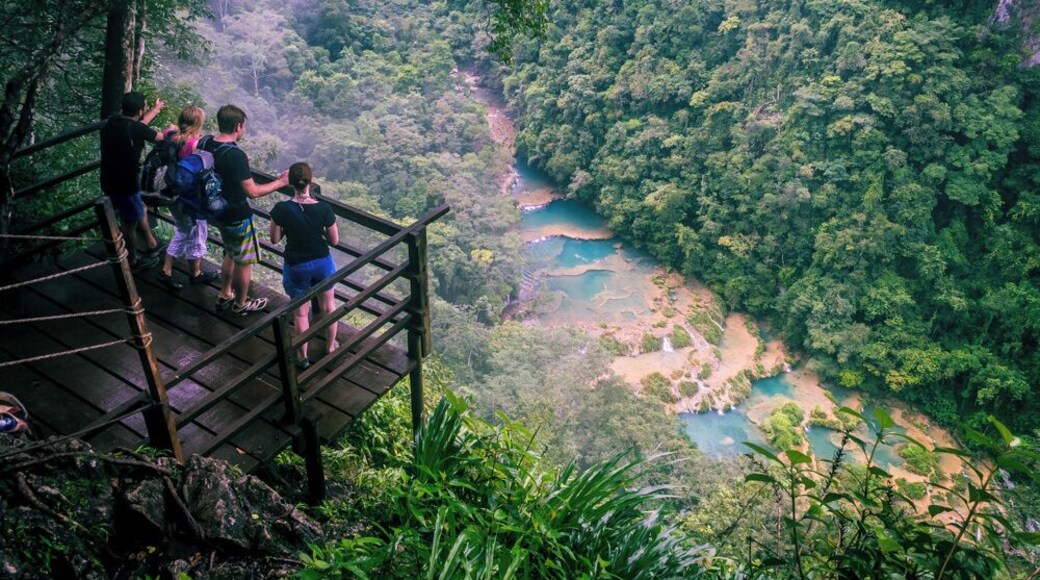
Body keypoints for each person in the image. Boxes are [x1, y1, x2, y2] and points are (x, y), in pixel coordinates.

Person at [201, 104, 288, 315]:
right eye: (244, 127)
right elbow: (253, 192)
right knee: (244, 262)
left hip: (215, 211)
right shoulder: (234, 155)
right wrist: (281, 182)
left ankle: (224, 294)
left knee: (230, 252)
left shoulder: (205, 142)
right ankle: (241, 304)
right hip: (236, 215)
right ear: (238, 126)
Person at [269, 162, 339, 368]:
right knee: (329, 306)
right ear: (311, 181)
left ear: (290, 183)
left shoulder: (281, 209)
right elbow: (335, 240)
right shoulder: (324, 209)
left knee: (300, 313)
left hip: (297, 264)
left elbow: (274, 239)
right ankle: (330, 347)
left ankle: (302, 356)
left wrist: (285, 228)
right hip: (321, 262)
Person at [99, 91, 170, 270]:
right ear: (139, 111)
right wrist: (172, 131)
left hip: (109, 178)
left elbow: (139, 124)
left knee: (140, 209)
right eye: (144, 108)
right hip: (126, 183)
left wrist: (155, 109)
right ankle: (132, 262)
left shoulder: (112, 123)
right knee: (129, 223)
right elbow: (161, 138)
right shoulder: (136, 128)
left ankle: (152, 243)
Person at [157, 106, 220, 290]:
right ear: (198, 123)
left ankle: (190, 272)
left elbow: (166, 132)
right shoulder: (194, 144)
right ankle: (171, 271)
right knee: (193, 232)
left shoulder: (172, 135)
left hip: (173, 191)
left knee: (185, 230)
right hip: (189, 197)